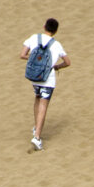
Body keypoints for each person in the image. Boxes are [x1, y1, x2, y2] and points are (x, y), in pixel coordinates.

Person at [20, 17, 71, 150]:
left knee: (37, 98)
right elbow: (68, 62)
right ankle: (37, 137)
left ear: (44, 27)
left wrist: (34, 59)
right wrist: (57, 67)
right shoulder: (57, 45)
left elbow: (22, 55)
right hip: (48, 79)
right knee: (44, 104)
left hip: (34, 77)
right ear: (55, 31)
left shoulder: (33, 38)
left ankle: (36, 127)